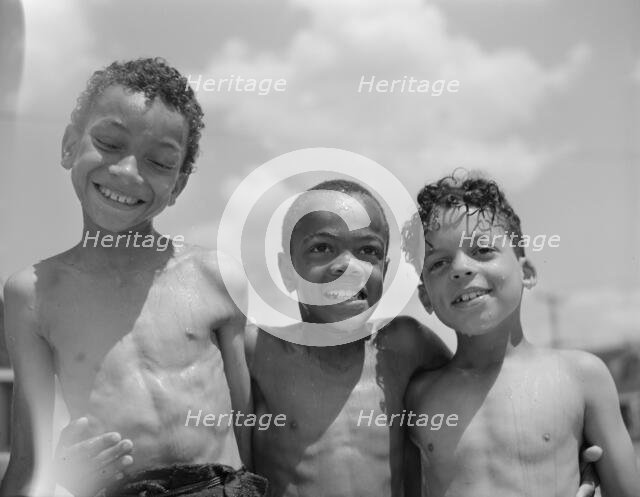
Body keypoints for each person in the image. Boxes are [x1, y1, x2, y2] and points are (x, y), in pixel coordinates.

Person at [1, 58, 266, 497]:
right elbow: (30, 465)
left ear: (178, 186)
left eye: (159, 162)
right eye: (108, 142)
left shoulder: (216, 276)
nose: (127, 171)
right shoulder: (32, 293)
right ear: (69, 145)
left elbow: (251, 433)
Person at [404, 173, 640, 496]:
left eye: (483, 249)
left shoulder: (583, 378)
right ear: (426, 298)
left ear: (526, 273)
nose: (460, 267)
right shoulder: (417, 397)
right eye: (439, 263)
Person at [246, 179, 451, 497]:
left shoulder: (409, 347)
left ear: (385, 268)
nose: (346, 266)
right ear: (287, 270)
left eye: (368, 251)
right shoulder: (259, 352)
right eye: (321, 248)